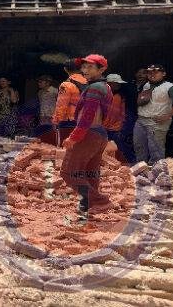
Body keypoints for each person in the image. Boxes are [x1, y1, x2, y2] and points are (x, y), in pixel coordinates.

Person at [61, 54, 113, 221]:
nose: (85, 70)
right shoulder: (105, 87)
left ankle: (100, 201)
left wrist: (74, 137)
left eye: (90, 67)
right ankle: (90, 206)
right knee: (90, 172)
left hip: (88, 133)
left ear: (102, 69)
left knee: (69, 172)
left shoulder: (95, 88)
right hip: (99, 133)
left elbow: (88, 115)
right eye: (83, 66)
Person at [133, 64, 173, 164]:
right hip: (141, 121)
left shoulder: (169, 87)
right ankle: (141, 171)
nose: (152, 74)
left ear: (163, 73)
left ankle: (157, 172)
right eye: (149, 72)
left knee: (156, 151)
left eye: (156, 72)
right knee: (139, 147)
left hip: (156, 123)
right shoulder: (146, 85)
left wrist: (167, 115)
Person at [52, 59, 87, 146]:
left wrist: (56, 121)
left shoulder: (66, 85)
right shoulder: (89, 83)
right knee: (81, 148)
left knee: (66, 148)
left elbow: (61, 106)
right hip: (86, 121)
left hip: (70, 121)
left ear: (65, 69)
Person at [103, 74, 135, 163]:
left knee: (120, 149)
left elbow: (119, 113)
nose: (119, 85)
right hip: (106, 128)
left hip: (115, 128)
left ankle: (128, 164)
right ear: (110, 83)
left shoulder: (119, 96)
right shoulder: (104, 95)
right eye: (116, 83)